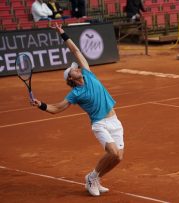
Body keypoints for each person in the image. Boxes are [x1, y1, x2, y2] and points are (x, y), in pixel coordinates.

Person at [32, 23, 124, 197]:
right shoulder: (75, 93)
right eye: (73, 69)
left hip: (114, 120)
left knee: (118, 157)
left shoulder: (88, 73)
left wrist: (62, 33)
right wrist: (41, 105)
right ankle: (92, 177)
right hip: (99, 124)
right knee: (112, 152)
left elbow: (76, 51)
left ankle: (95, 178)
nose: (76, 68)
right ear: (70, 78)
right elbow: (56, 108)